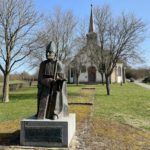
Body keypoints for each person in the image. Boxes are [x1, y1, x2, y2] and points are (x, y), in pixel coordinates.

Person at [36, 41, 68, 120]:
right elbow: (40, 78)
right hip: (45, 85)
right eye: (47, 52)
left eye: (50, 52)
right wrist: (47, 81)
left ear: (54, 53)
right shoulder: (43, 64)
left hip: (55, 86)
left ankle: (55, 113)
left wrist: (59, 81)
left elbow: (62, 77)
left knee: (56, 93)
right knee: (41, 93)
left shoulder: (59, 64)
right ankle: (41, 112)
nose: (47, 54)